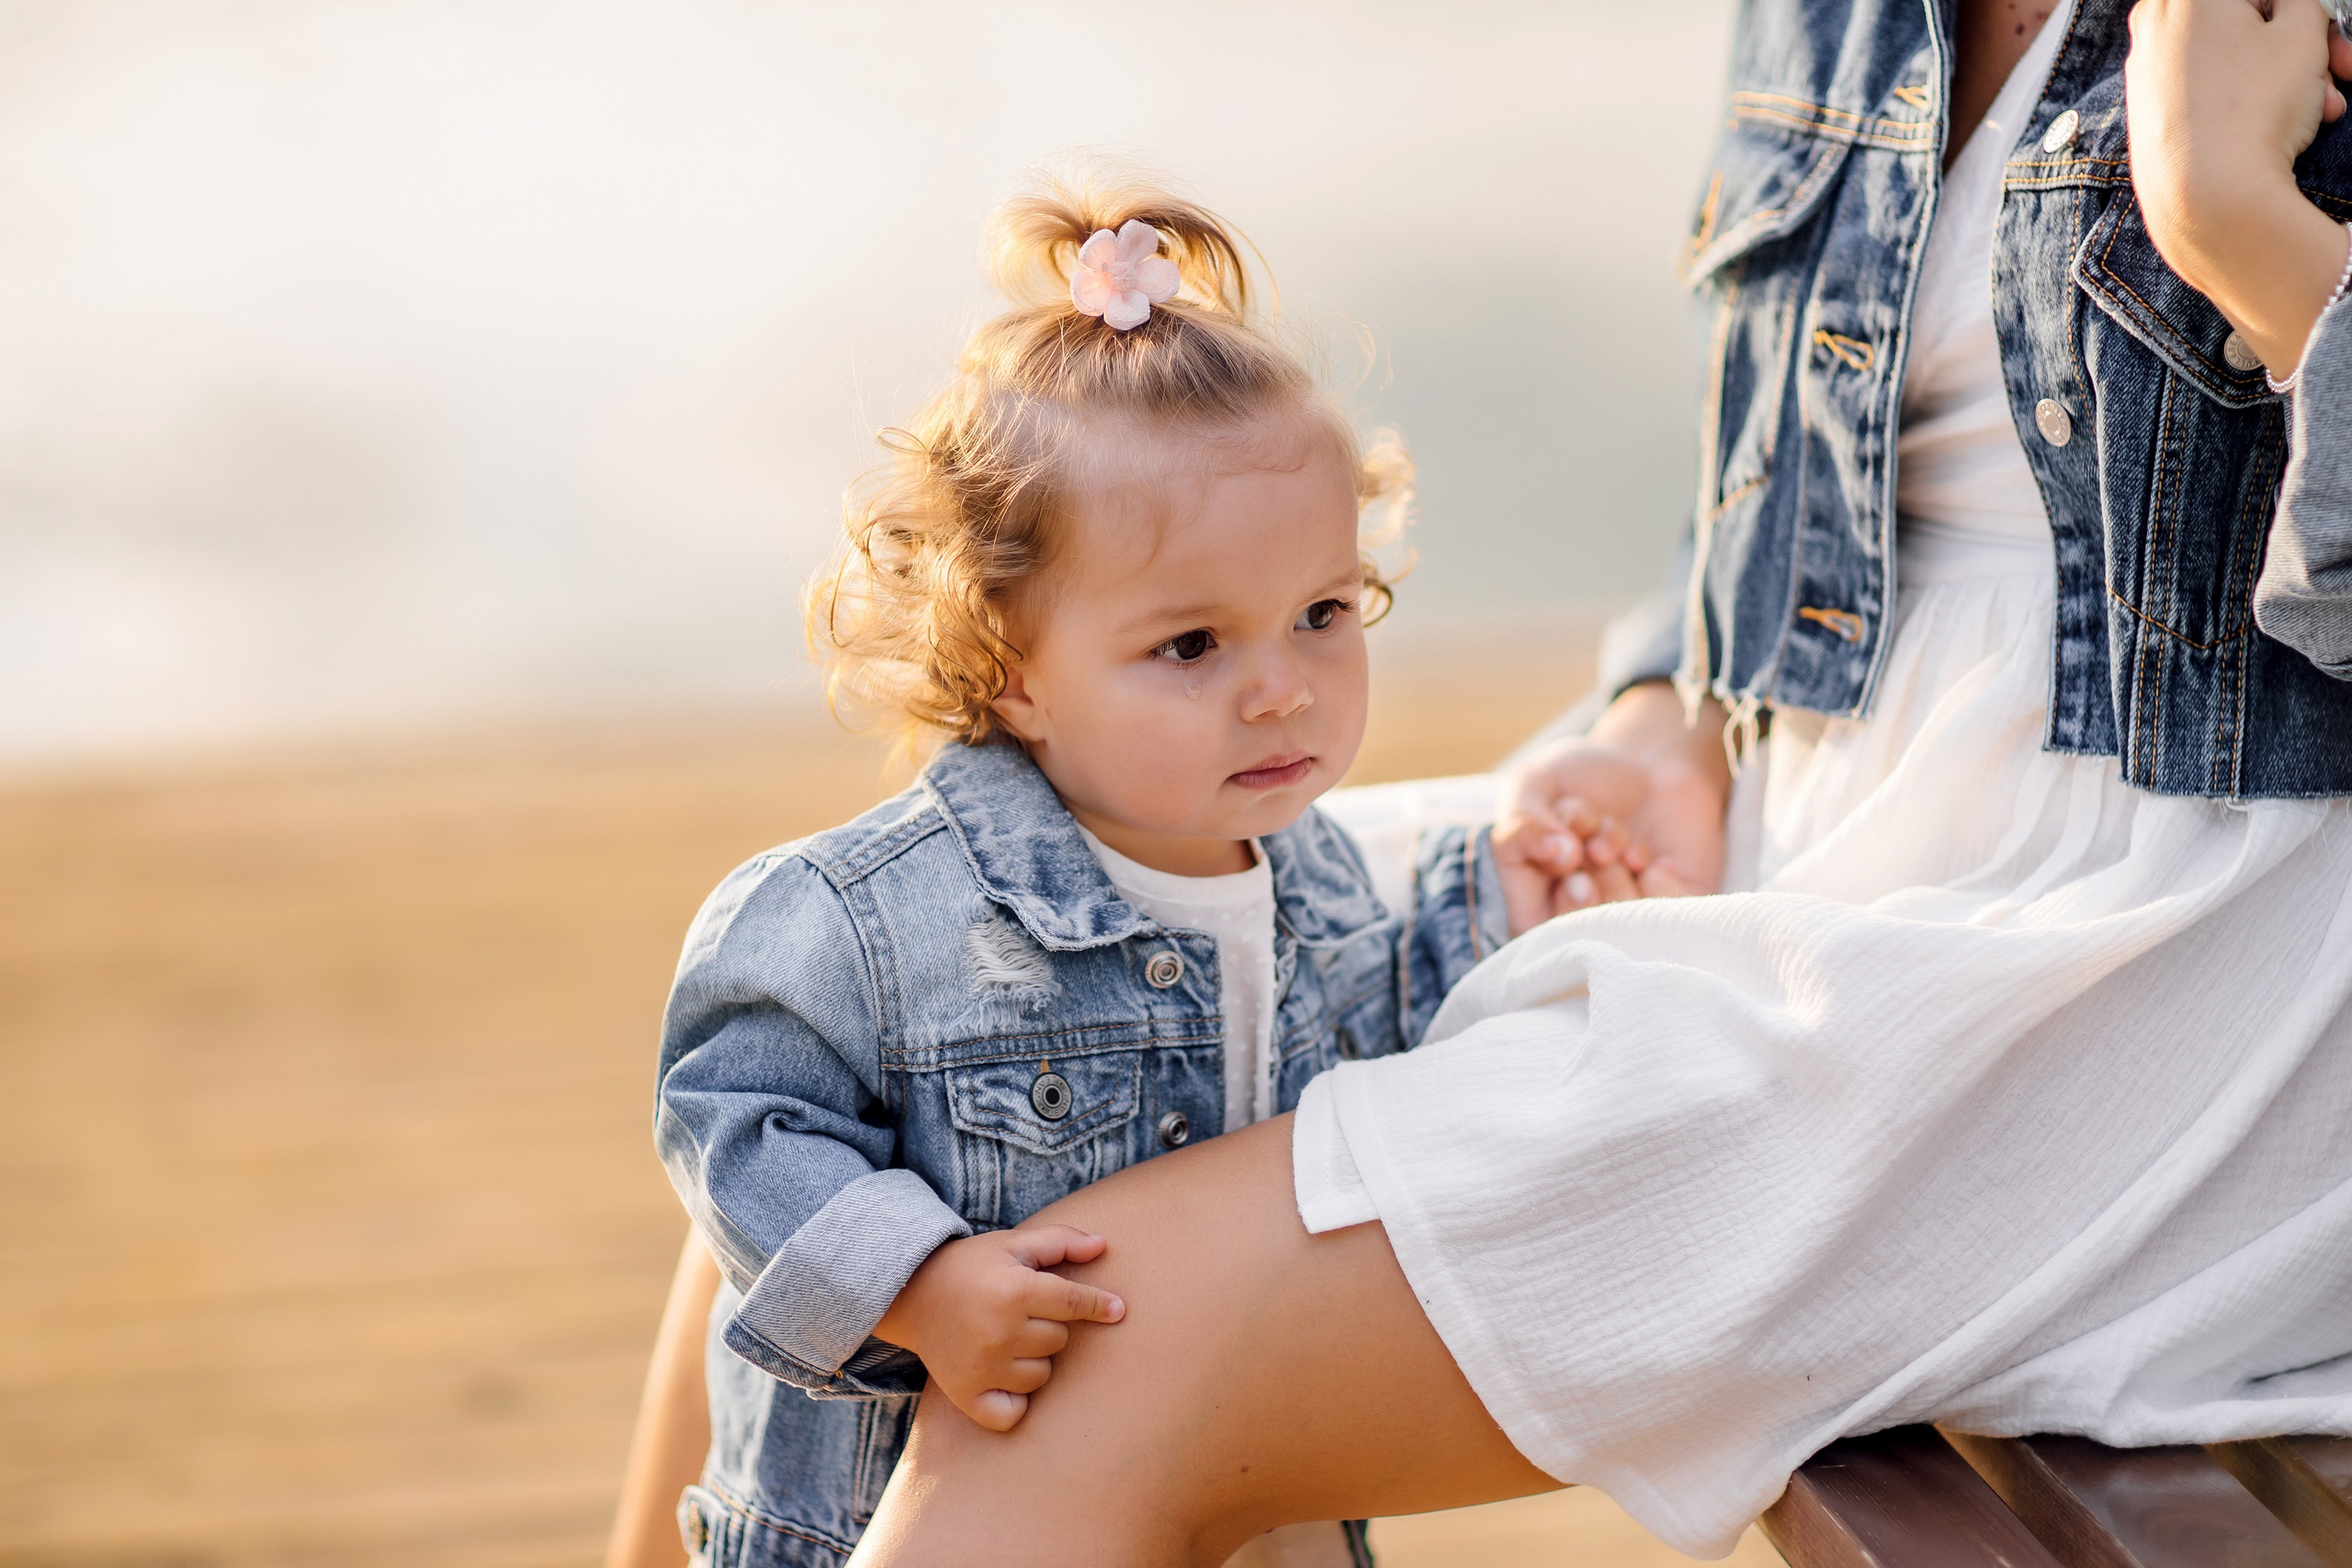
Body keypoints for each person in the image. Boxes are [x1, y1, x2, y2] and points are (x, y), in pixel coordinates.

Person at [810, 0, 2352, 1562]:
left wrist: (2252, 245)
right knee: (904, 1022)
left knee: (1097, 1352)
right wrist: (1665, 706)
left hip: (2182, 928)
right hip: (1799, 793)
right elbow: (1834, 445)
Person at [641, 174, 1604, 1568]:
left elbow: (1386, 1019)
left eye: (1324, 614)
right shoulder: (867, 918)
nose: (1284, 692)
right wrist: (915, 1282)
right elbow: (736, 1120)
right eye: (1194, 646)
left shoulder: (1318, 877)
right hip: (901, 1519)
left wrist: (1512, 885)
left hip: (1222, 1493)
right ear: (1013, 670)